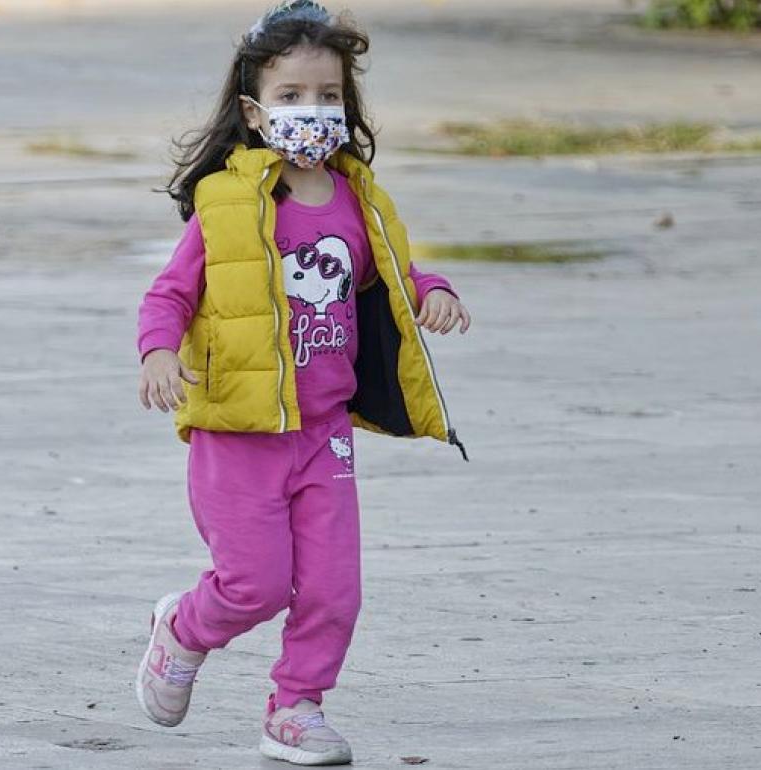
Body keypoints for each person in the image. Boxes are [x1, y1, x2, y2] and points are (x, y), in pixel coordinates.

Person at [132, 2, 472, 764]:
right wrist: (158, 352)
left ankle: (296, 707)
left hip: (323, 433)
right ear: (255, 112)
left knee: (331, 590)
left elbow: (393, 272)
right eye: (291, 98)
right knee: (254, 584)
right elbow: (170, 294)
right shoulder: (225, 205)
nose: (311, 112)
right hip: (238, 435)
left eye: (328, 96)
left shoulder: (359, 200)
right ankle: (182, 631)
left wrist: (433, 290)